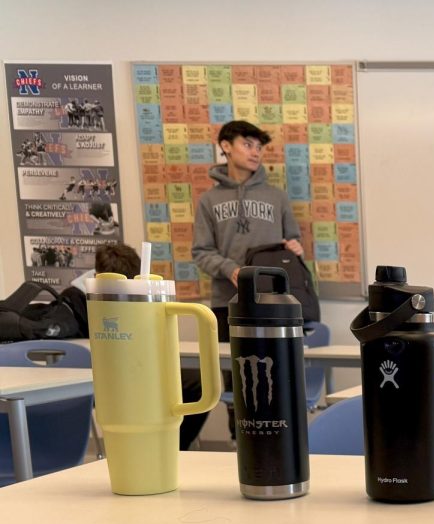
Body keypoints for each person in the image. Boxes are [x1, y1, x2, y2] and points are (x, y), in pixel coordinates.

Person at [62, 243, 208, 451]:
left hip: (136, 365)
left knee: (195, 382)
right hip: (102, 375)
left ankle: (174, 446)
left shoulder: (140, 292)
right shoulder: (75, 299)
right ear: (98, 276)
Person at [193, 120, 303, 326]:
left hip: (274, 301)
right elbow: (201, 252)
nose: (255, 153)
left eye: (259, 148)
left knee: (274, 358)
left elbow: (293, 242)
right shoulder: (209, 200)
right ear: (226, 146)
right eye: (247, 145)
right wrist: (230, 269)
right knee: (229, 358)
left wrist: (294, 248)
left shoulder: (277, 197)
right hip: (227, 303)